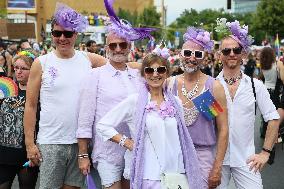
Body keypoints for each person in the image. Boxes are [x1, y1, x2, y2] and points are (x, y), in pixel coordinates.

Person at [96, 48, 206, 189]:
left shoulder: (176, 102)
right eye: (149, 70)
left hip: (175, 174)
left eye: (160, 70)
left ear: (166, 73)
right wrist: (127, 142)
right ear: (143, 74)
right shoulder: (135, 101)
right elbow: (103, 126)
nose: (155, 74)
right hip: (148, 174)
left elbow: (180, 138)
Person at [23, 3, 106, 189]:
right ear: (51, 34)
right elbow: (30, 105)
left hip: (80, 143)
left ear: (76, 34)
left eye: (67, 34)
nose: (62, 38)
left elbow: (120, 66)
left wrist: (153, 70)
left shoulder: (88, 59)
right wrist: (30, 144)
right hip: (50, 142)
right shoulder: (41, 63)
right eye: (57, 33)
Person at [76, 1, 156, 188]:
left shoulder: (139, 76)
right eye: (113, 46)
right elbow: (85, 119)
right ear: (107, 48)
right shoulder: (95, 76)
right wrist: (83, 154)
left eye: (122, 45)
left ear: (129, 47)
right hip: (107, 151)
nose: (118, 49)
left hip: (137, 151)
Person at [215, 18, 280, 189]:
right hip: (218, 160)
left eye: (236, 50)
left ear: (243, 53)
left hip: (246, 160)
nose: (231, 54)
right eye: (226, 50)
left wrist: (265, 153)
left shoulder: (255, 85)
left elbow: (273, 118)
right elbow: (207, 120)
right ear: (219, 54)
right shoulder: (211, 86)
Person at [167, 27, 228, 189]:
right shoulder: (169, 84)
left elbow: (223, 129)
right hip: (173, 156)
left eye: (198, 54)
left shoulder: (212, 87)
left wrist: (217, 167)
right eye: (187, 53)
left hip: (202, 157)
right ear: (180, 54)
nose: (192, 58)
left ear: (204, 58)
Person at [0, 50, 39, 189]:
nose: (18, 72)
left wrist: (35, 149)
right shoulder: (5, 90)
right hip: (4, 152)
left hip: (26, 153)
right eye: (16, 67)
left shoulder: (39, 93)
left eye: (23, 68)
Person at [259, 47, 282, 138]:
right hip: (274, 92)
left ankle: (264, 133)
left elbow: (262, 77)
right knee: (273, 115)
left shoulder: (263, 65)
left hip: (264, 91)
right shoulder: (276, 64)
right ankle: (272, 135)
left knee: (265, 114)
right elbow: (281, 77)